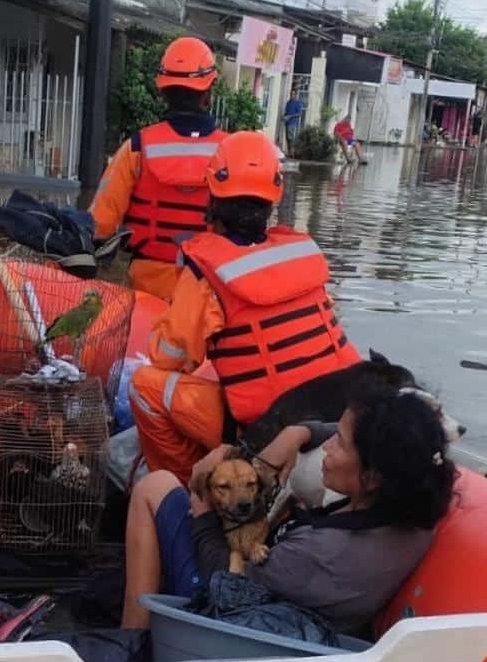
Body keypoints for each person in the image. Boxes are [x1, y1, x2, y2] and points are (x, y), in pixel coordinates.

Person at [122, 388, 455, 635]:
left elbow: (224, 584)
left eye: (338, 442)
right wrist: (299, 432)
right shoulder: (409, 502)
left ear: (371, 476)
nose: (327, 445)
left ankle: (133, 640)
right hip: (276, 596)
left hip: (234, 622)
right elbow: (369, 442)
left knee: (156, 486)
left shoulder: (320, 555)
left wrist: (205, 516)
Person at [129, 131, 361, 484]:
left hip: (264, 430)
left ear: (212, 194)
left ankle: (183, 488)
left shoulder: (207, 271)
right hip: (341, 416)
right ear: (274, 198)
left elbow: (168, 357)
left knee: (144, 385)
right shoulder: (301, 254)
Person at [89, 36, 228, 301]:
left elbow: (100, 224)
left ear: (162, 91)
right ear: (209, 90)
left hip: (145, 287)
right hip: (205, 291)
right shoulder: (231, 151)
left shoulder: (137, 147)